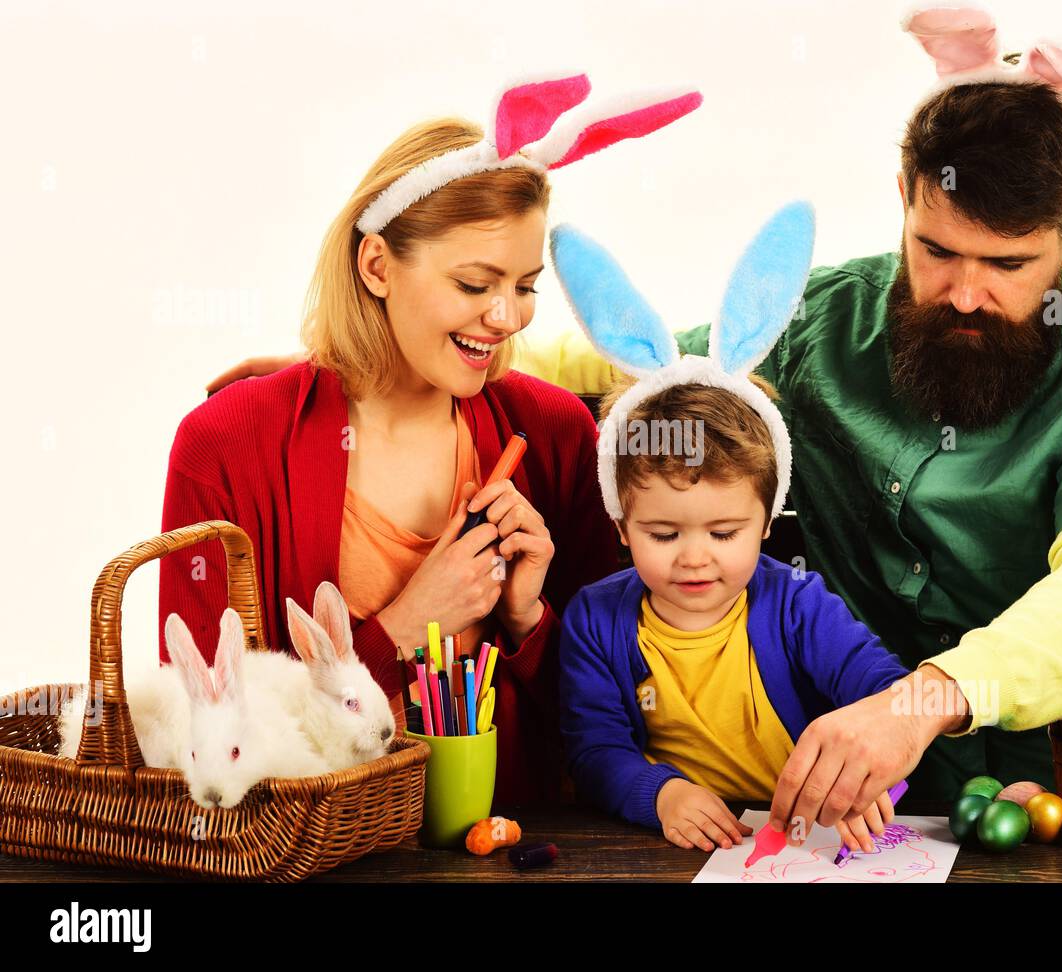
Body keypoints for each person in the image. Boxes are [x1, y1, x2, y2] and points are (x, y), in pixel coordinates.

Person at [522, 38, 1062, 832]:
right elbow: (635, 365)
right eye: (936, 250)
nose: (967, 294)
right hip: (864, 813)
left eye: (1007, 264)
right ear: (907, 195)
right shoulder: (818, 325)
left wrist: (918, 703)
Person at [160, 75, 699, 804]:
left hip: (518, 850)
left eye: (527, 285)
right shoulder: (224, 446)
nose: (508, 317)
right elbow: (206, 743)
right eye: (476, 285)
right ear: (377, 266)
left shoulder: (558, 435)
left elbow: (623, 726)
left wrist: (529, 621)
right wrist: (403, 628)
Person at [550, 205, 962, 852]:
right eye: (663, 534)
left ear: (766, 523)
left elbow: (883, 692)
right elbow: (595, 749)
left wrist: (866, 778)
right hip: (672, 854)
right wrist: (661, 792)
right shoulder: (594, 622)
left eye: (723, 534)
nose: (695, 559)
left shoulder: (795, 605)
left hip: (806, 848)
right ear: (621, 523)